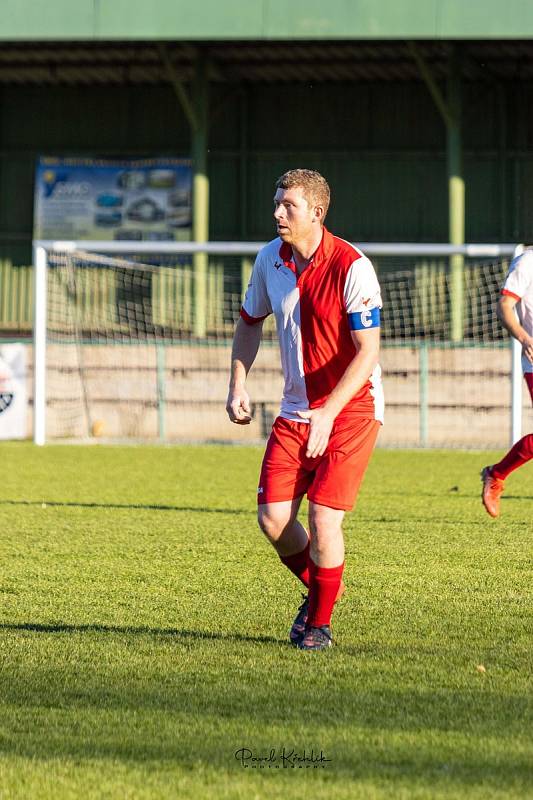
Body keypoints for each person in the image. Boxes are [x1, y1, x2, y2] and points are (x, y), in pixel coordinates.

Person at [226, 169, 383, 651]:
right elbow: (250, 322)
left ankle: (318, 626)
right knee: (272, 519)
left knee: (322, 520)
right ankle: (320, 593)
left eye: (287, 205)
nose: (277, 213)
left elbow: (368, 351)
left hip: (351, 411)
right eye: (276, 203)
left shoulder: (353, 266)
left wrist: (329, 412)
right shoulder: (268, 259)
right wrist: (237, 383)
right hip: (296, 411)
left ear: (316, 213)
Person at [481, 249, 533, 517]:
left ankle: (496, 474)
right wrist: (525, 338)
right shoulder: (527, 262)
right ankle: (496, 475)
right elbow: (504, 306)